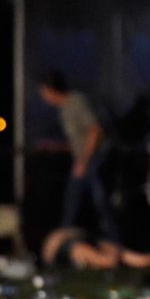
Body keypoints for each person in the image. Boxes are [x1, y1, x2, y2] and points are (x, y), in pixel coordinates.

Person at [39, 71, 119, 241]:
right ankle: (66, 243)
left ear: (51, 89)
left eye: (44, 92)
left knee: (101, 201)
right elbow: (79, 138)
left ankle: (114, 242)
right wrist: (58, 147)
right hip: (83, 161)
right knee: (72, 201)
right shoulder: (64, 109)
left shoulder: (76, 102)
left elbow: (96, 130)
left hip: (94, 160)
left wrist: (83, 161)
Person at [40, 227, 150, 270]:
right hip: (64, 245)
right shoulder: (78, 248)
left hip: (71, 237)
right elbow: (109, 262)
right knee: (111, 258)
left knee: (119, 254)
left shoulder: (90, 243)